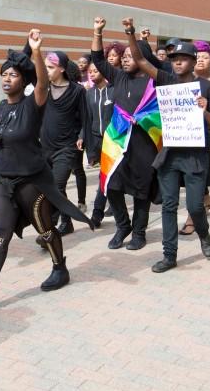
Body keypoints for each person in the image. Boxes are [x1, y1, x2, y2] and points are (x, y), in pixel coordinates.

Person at [0, 30, 92, 311]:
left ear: (24, 81)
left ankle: (60, 267)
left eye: (13, 75)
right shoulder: (1, 108)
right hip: (2, 182)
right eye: (4, 74)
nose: (7, 79)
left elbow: (42, 82)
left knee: (44, 229)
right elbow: (0, 141)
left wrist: (36, 51)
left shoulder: (34, 104)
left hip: (31, 181)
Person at [124, 19, 210, 271]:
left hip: (196, 156)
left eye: (183, 58)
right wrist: (131, 33)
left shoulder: (207, 88)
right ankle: (170, 255)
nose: (177, 62)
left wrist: (204, 112)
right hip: (169, 155)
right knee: (168, 205)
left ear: (192, 61)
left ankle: (204, 233)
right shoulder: (166, 80)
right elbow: (142, 61)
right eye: (173, 58)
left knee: (194, 206)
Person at [91, 18, 161, 250]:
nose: (125, 59)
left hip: (145, 144)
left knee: (142, 191)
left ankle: (139, 233)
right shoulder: (119, 77)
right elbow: (98, 59)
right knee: (111, 185)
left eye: (131, 56)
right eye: (125, 56)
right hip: (117, 141)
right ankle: (123, 226)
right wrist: (97, 32)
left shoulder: (155, 83)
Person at [40, 50, 87, 235]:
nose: (47, 70)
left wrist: (82, 136)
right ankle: (66, 222)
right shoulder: (43, 88)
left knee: (57, 187)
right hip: (44, 147)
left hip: (67, 148)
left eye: (50, 67)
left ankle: (48, 230)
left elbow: (85, 117)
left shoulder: (77, 91)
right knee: (50, 187)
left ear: (61, 69)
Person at [176, 40, 210, 236]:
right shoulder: (176, 81)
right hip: (180, 135)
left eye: (204, 57)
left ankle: (192, 216)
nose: (200, 60)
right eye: (198, 56)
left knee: (198, 173)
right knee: (192, 176)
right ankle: (206, 199)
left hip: (202, 137)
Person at [84, 61, 113, 227]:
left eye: (96, 70)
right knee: (104, 177)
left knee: (112, 178)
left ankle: (114, 207)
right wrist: (84, 140)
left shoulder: (114, 90)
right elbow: (87, 119)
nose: (92, 73)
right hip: (97, 140)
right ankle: (97, 214)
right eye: (90, 71)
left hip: (114, 141)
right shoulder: (89, 94)